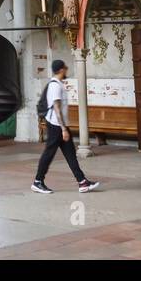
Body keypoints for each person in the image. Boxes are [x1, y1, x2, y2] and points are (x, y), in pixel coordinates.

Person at [31, 59, 99, 195]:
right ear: (61, 69)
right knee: (49, 153)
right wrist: (63, 129)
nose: (67, 69)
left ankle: (82, 182)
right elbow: (56, 107)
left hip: (60, 125)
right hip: (56, 125)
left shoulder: (58, 84)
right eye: (65, 68)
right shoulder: (55, 86)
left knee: (70, 154)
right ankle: (38, 182)